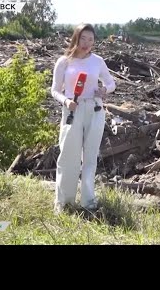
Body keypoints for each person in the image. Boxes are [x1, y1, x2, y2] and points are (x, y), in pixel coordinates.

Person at [51, 23, 116, 213]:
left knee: (89, 158)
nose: (87, 43)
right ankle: (64, 203)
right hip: (72, 110)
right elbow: (54, 90)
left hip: (95, 110)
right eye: (83, 38)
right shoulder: (64, 61)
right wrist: (65, 101)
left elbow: (111, 82)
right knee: (68, 157)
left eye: (91, 39)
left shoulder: (97, 61)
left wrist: (104, 90)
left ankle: (88, 202)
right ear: (76, 38)